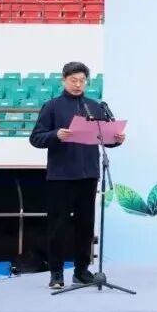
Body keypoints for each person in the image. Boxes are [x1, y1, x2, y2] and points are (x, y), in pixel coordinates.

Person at [29, 61, 126, 290]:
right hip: (61, 176)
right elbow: (36, 138)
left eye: (82, 80)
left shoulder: (94, 106)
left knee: (85, 225)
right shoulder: (52, 107)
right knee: (58, 226)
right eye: (73, 80)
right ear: (64, 80)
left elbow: (104, 138)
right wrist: (56, 134)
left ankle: (81, 271)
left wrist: (116, 140)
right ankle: (56, 273)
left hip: (88, 175)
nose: (78, 84)